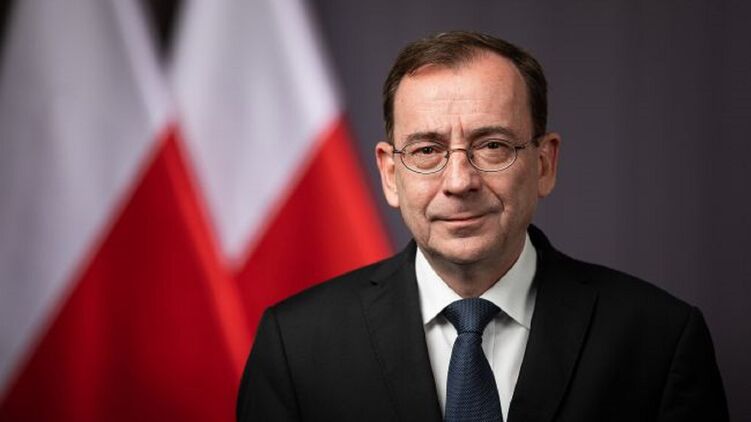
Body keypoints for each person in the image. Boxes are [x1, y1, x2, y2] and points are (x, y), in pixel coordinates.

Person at [236, 31, 728, 421]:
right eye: (427, 150)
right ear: (389, 174)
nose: (459, 181)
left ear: (544, 164)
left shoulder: (660, 340)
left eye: (492, 145)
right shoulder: (294, 345)